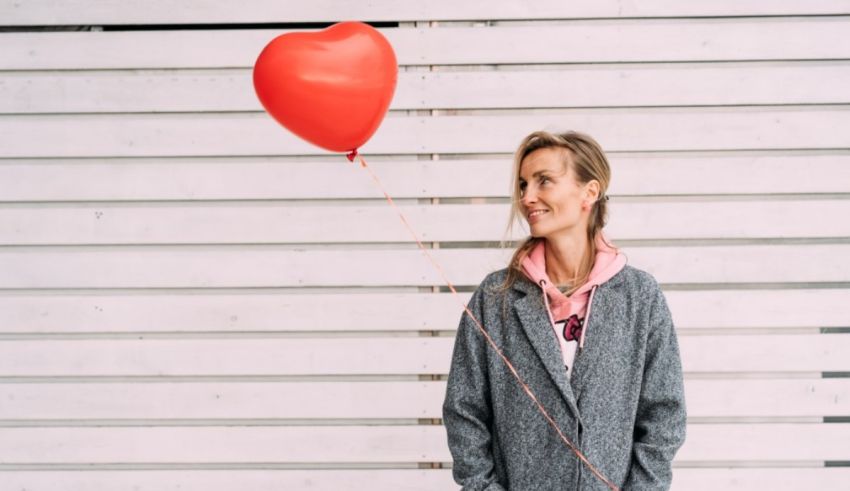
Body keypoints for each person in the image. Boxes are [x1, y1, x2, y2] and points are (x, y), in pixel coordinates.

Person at [442, 130, 687, 490]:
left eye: (544, 181)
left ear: (590, 192)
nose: (527, 197)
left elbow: (664, 416)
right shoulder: (496, 298)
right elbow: (464, 412)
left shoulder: (639, 297)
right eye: (523, 184)